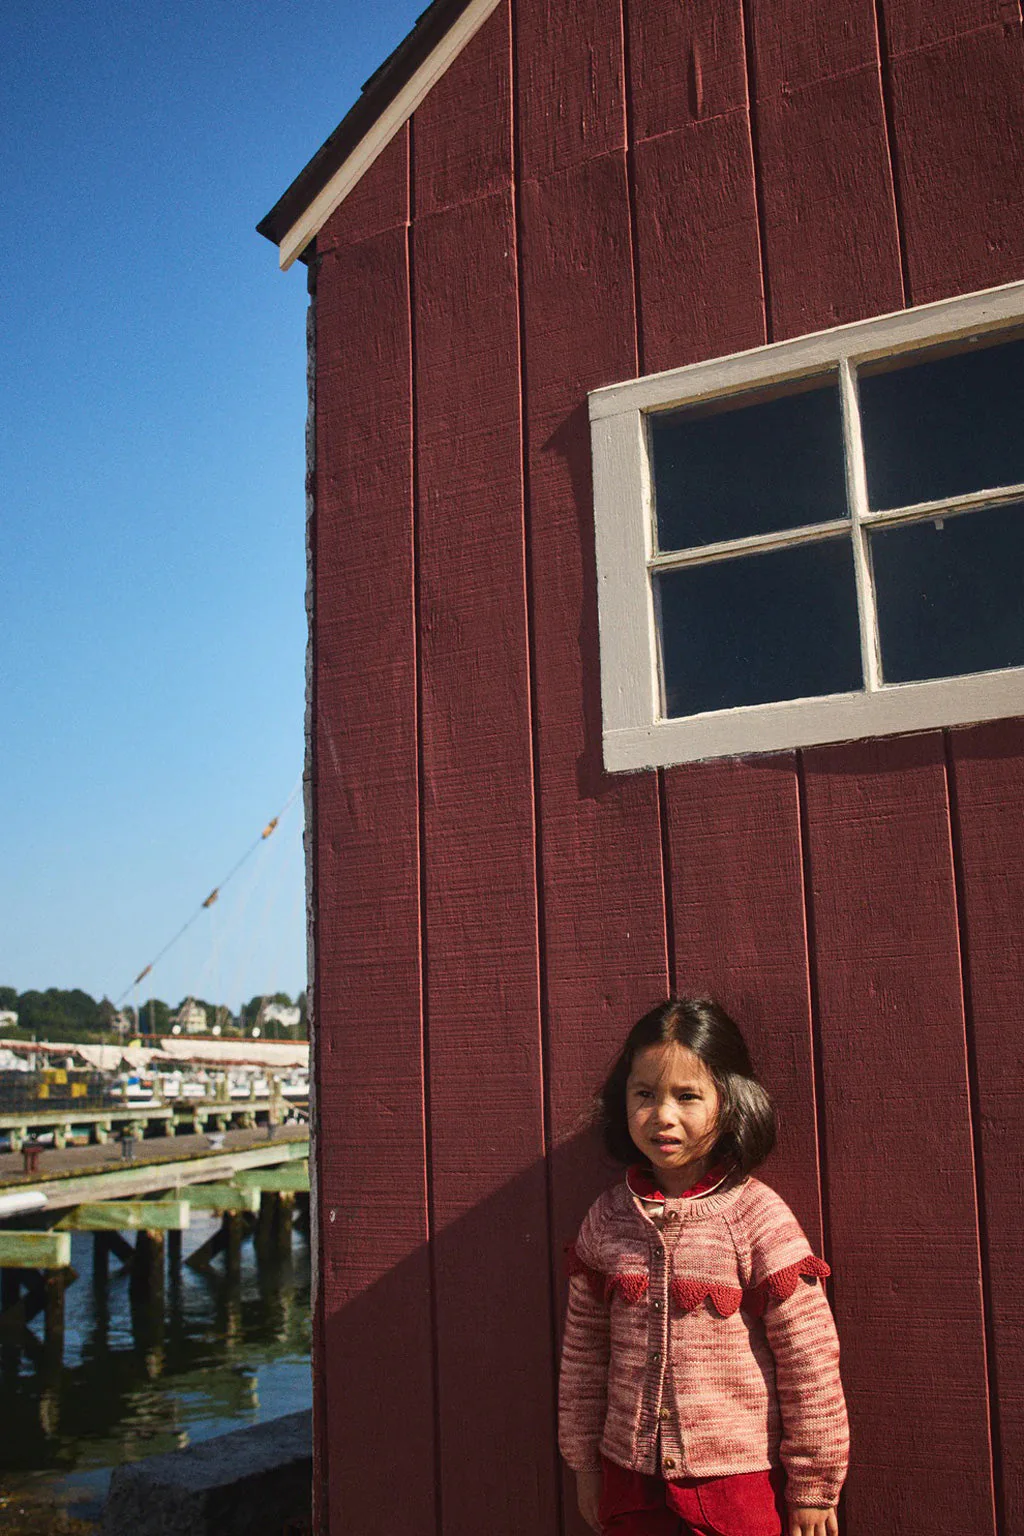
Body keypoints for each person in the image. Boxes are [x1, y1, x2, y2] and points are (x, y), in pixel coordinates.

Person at [559, 997, 848, 1536]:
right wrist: (585, 1465)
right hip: (628, 1482)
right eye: (644, 1094)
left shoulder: (757, 1218)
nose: (662, 1116)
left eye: (687, 1096)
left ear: (730, 1101)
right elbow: (583, 1356)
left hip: (735, 1486)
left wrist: (814, 1482)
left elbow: (808, 1359)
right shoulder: (607, 1219)